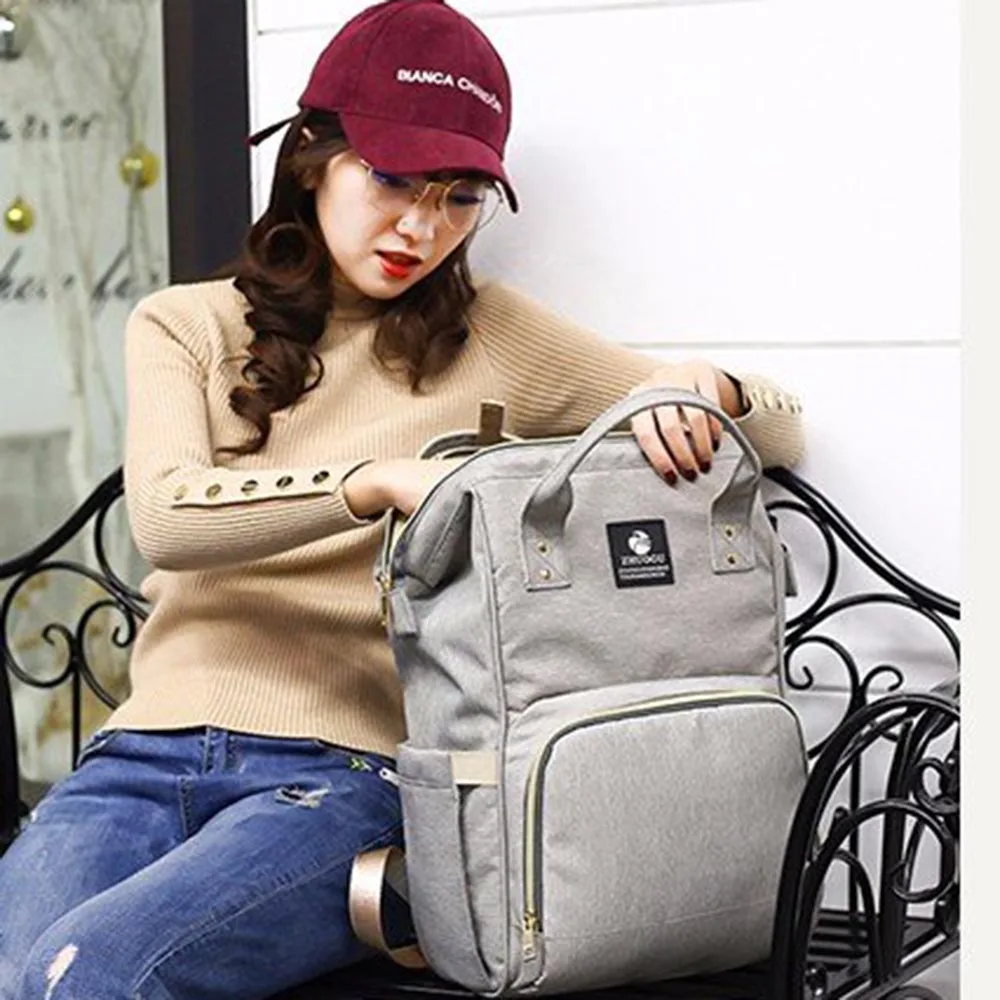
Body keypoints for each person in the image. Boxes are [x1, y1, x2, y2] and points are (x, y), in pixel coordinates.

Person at [0, 0, 805, 996]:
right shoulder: (186, 324)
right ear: (311, 159)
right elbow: (166, 515)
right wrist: (368, 484)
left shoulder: (490, 335)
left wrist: (706, 384)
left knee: (93, 973)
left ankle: (395, 888)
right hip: (137, 761)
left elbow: (776, 430)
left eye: (460, 196)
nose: (422, 227)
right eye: (389, 178)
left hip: (344, 777)